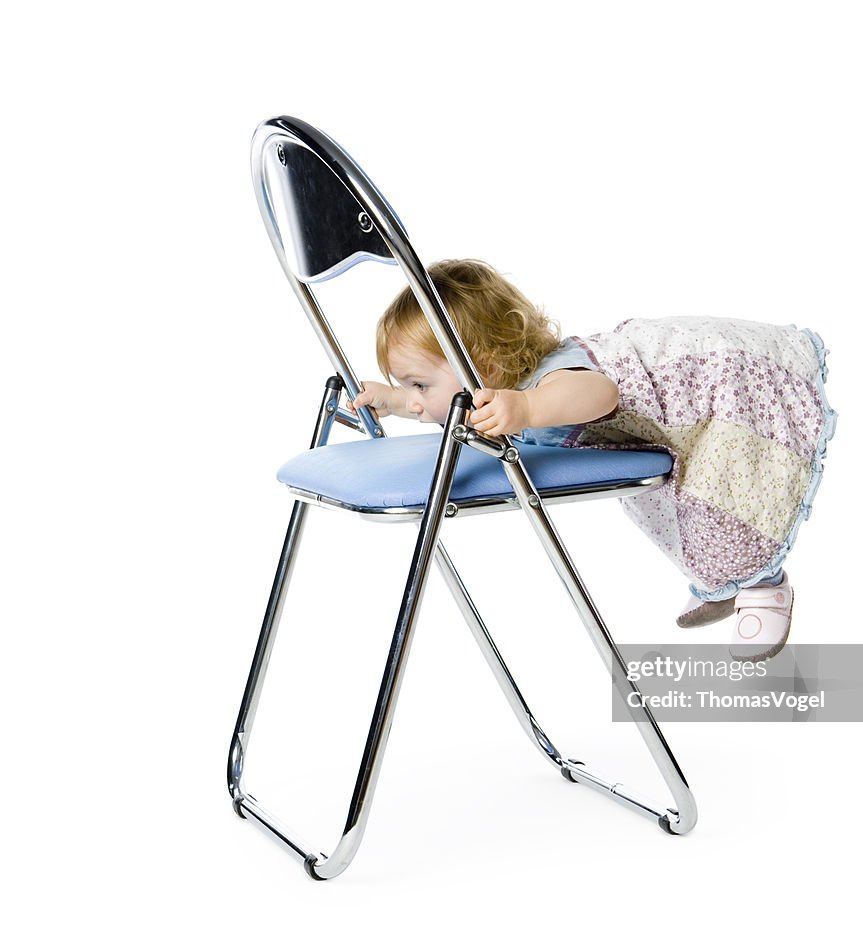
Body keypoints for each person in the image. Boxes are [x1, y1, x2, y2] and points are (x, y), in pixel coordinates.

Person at [350, 259, 836, 662]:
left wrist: (529, 408)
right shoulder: (488, 390)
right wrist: (393, 401)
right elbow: (446, 403)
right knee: (684, 497)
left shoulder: (554, 379)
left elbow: (599, 395)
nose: (416, 399)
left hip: (717, 387)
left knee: (727, 486)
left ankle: (763, 584)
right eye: (407, 385)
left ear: (487, 367)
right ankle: (723, 579)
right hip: (667, 418)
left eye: (418, 385)